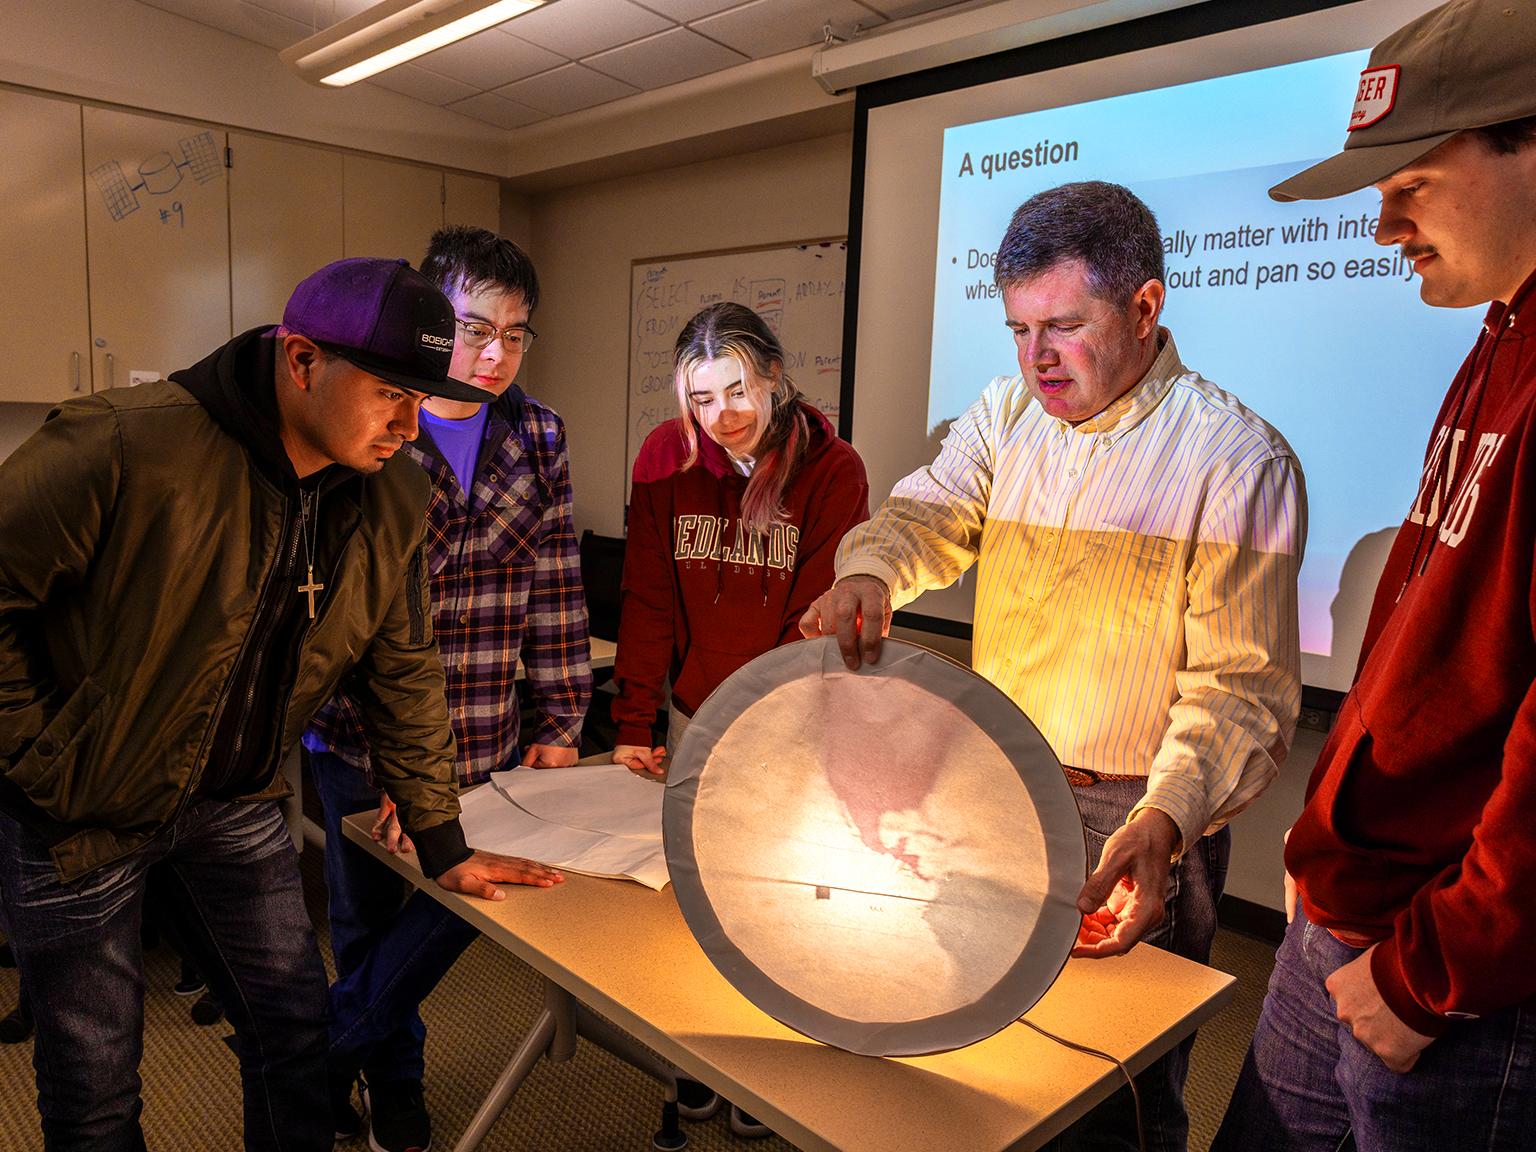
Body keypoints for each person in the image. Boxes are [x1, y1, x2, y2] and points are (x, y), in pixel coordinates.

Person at [0, 257, 564, 1151]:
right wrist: (42, 754)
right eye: (389, 395)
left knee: (296, 1039)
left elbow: (403, 668)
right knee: (95, 1084)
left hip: (238, 804)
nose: (408, 427)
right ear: (303, 363)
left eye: (421, 400)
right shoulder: (120, 444)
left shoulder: (394, 494)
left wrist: (439, 837)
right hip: (79, 812)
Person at [801, 181, 1305, 1152]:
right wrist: (870, 572)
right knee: (981, 1052)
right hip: (999, 788)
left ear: (1146, 308)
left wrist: (1165, 821)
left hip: (1140, 815)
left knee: (1112, 1093)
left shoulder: (1237, 462)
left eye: (1064, 326)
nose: (1037, 358)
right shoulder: (1004, 417)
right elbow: (926, 515)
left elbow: (1240, 692)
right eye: (1019, 328)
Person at [1211, 2, 1536, 1148]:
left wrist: (1433, 971)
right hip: (1354, 906)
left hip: (1448, 975)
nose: (1383, 223)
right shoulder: (1499, 336)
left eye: (1413, 182)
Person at [305, 227, 592, 1151]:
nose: (495, 354)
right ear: (433, 321)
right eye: (475, 329)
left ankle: (316, 1055)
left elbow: (555, 580)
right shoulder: (373, 427)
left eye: (515, 334)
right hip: (361, 741)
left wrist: (560, 719)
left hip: (487, 736)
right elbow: (342, 622)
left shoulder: (537, 434)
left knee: (457, 913)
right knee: (366, 924)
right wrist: (401, 772)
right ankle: (396, 1103)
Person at [611, 300, 869, 1136]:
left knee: (775, 905)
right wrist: (631, 722)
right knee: (692, 902)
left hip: (789, 724)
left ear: (774, 379)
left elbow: (816, 623)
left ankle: (763, 1070)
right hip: (693, 715)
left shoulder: (833, 472)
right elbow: (647, 597)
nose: (719, 416)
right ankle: (695, 1063)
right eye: (699, 398)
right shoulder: (665, 459)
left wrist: (769, 737)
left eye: (736, 391)